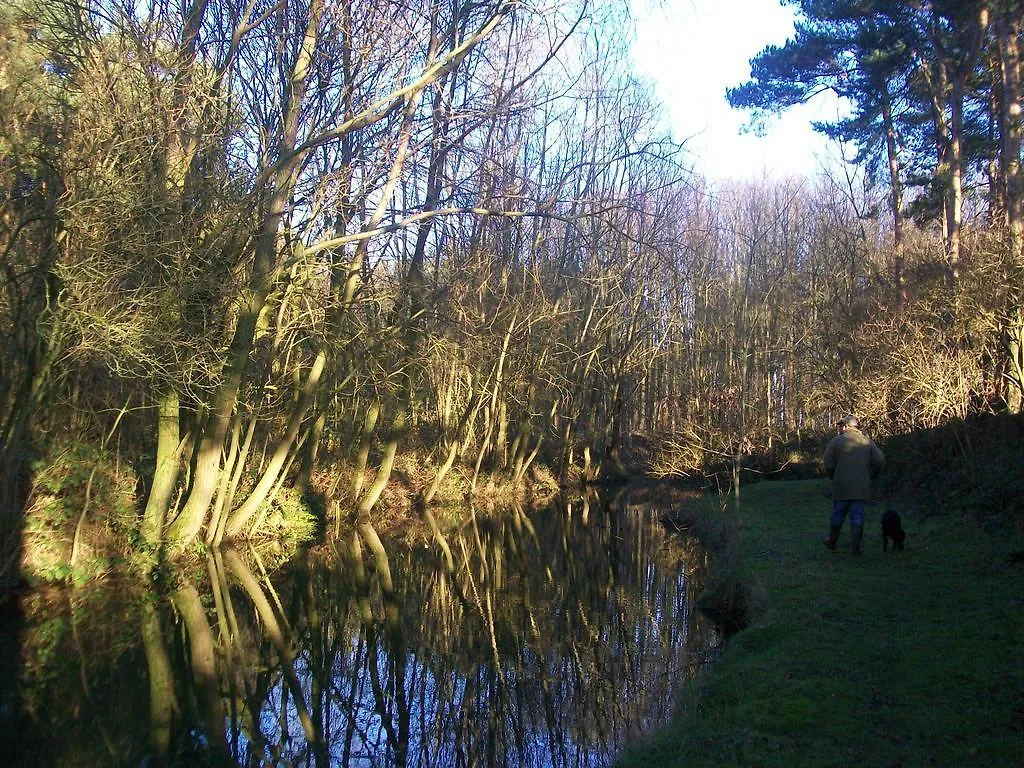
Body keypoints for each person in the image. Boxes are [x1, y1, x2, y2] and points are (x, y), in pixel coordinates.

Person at [823, 415, 885, 555]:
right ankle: (855, 546)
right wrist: (872, 475)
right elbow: (880, 460)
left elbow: (827, 463)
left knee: (838, 513)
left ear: (845, 426)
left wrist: (833, 476)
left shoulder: (836, 442)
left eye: (840, 425)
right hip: (861, 486)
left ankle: (832, 540)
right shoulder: (867, 441)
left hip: (841, 486)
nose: (839, 428)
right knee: (857, 515)